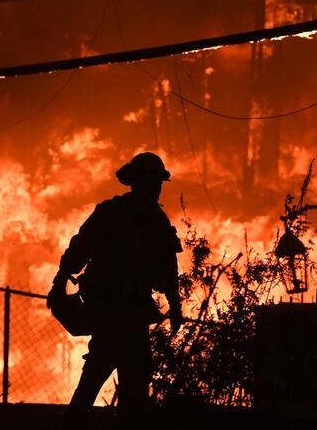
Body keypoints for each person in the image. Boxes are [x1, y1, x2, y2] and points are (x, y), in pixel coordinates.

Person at [47, 152, 184, 429]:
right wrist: (61, 280)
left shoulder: (152, 220)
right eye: (151, 182)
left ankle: (86, 420)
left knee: (131, 376)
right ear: (137, 183)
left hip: (131, 311)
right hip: (110, 308)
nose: (155, 188)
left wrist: (175, 304)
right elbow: (78, 252)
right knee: (104, 365)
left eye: (157, 182)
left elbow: (168, 269)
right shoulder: (115, 214)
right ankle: (75, 421)